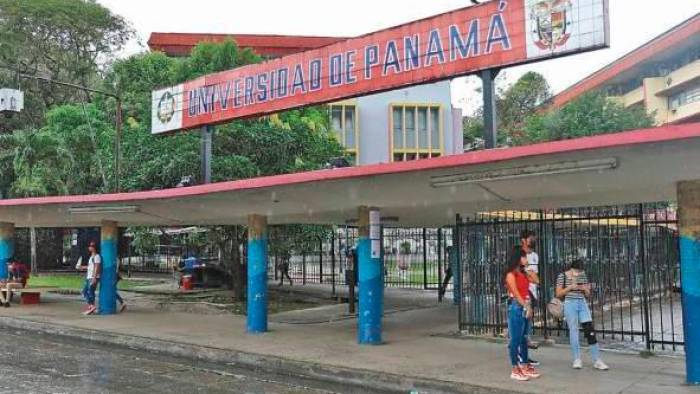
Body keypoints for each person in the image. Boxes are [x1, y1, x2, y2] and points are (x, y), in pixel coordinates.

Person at [556, 259, 609, 371]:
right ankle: (577, 359)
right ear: (572, 268)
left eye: (580, 272)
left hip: (582, 303)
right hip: (570, 304)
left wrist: (586, 289)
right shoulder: (562, 276)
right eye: (577, 271)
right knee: (574, 330)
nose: (578, 274)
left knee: (590, 330)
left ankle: (597, 360)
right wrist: (571, 287)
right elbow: (558, 293)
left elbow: (588, 294)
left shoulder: (582, 275)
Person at [504, 248, 541, 381]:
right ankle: (515, 368)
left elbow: (537, 280)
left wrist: (528, 269)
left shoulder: (523, 273)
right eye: (524, 257)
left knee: (524, 337)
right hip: (517, 306)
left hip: (525, 306)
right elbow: (515, 293)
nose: (527, 260)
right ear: (518, 258)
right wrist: (526, 306)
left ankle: (524, 365)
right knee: (515, 339)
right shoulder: (510, 275)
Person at [520, 230, 541, 366]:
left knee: (527, 326)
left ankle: (525, 356)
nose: (533, 239)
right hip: (522, 292)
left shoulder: (534, 256)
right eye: (530, 238)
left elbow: (534, 277)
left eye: (533, 237)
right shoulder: (518, 255)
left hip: (531, 292)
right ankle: (521, 357)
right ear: (523, 240)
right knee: (521, 326)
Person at [76, 241, 101, 315]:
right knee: (85, 292)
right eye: (89, 246)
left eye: (91, 246)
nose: (89, 247)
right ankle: (91, 306)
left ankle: (91, 306)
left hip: (92, 277)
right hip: (89, 277)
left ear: (94, 248)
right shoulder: (91, 257)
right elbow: (90, 267)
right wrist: (81, 267)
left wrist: (94, 277)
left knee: (90, 292)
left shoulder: (97, 256)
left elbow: (97, 267)